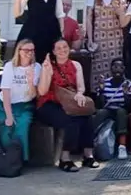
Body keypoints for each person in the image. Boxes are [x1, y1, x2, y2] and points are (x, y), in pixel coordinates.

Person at [36, 39, 100, 172]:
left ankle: (88, 155)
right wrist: (46, 72)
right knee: (71, 120)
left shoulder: (76, 65)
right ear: (53, 51)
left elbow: (81, 87)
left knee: (86, 115)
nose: (62, 50)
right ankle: (65, 158)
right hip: (50, 103)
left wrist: (80, 94)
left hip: (69, 102)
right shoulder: (48, 66)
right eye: (58, 48)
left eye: (64, 47)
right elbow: (42, 91)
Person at [0, 38, 40, 164]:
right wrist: (9, 115)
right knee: (6, 128)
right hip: (5, 104)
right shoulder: (10, 66)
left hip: (24, 105)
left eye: (32, 50)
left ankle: (20, 159)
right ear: (19, 51)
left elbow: (33, 95)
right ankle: (7, 158)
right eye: (26, 50)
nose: (29, 53)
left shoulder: (36, 67)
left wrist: (30, 81)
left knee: (22, 127)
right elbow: (6, 91)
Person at [86, 0, 128, 88]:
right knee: (99, 66)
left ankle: (117, 93)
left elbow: (123, 18)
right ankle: (100, 94)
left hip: (115, 37)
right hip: (99, 36)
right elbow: (89, 18)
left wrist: (118, 10)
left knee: (115, 65)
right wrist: (90, 39)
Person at [93, 57, 131, 160]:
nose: (117, 69)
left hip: (122, 110)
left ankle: (122, 146)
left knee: (121, 112)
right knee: (101, 113)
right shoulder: (105, 83)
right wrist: (101, 90)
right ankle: (92, 143)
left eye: (120, 67)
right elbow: (100, 105)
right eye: (115, 67)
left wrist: (125, 94)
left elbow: (129, 106)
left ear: (124, 69)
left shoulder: (128, 83)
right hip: (109, 110)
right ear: (111, 69)